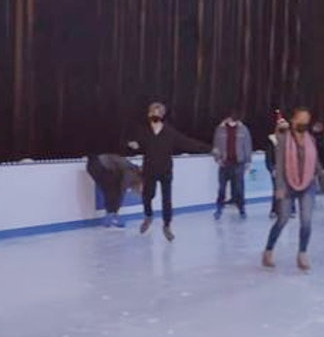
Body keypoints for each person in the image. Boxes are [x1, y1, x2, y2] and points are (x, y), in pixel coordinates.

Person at [127, 102, 213, 242]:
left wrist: (209, 148)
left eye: (158, 112)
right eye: (153, 112)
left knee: (167, 200)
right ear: (149, 114)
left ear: (162, 115)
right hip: (149, 170)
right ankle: (148, 215)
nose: (156, 115)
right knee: (148, 195)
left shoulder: (170, 132)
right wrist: (133, 144)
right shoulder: (142, 130)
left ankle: (167, 225)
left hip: (166, 170)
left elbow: (188, 142)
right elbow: (134, 142)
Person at [262, 108, 319, 272]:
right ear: (293, 121)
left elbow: (315, 161)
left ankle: (302, 253)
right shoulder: (283, 138)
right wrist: (279, 187)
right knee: (283, 220)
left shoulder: (311, 140)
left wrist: (321, 176)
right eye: (301, 120)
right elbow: (279, 164)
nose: (304, 124)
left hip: (308, 184)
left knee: (307, 221)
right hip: (287, 184)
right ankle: (268, 250)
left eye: (307, 121)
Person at [212, 110, 253, 220]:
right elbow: (215, 146)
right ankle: (219, 209)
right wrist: (217, 158)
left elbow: (247, 145)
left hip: (239, 163)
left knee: (239, 188)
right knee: (221, 188)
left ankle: (241, 209)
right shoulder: (220, 129)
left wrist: (248, 161)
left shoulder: (243, 129)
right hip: (224, 163)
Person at [86, 154, 143, 228]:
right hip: (98, 165)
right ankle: (112, 216)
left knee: (110, 190)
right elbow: (121, 190)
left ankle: (111, 216)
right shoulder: (132, 172)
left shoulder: (132, 171)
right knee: (113, 190)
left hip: (95, 165)